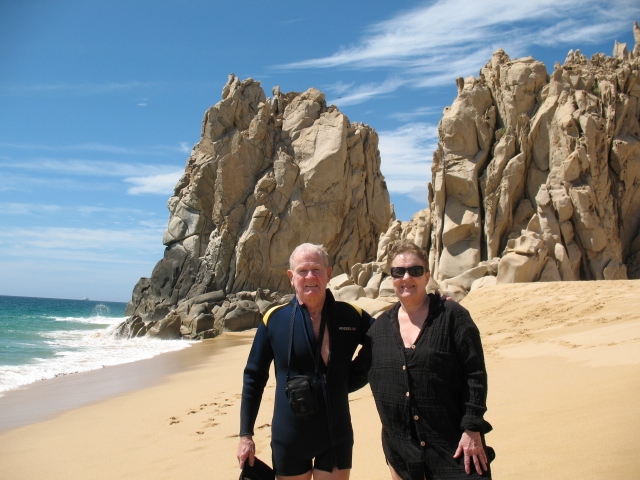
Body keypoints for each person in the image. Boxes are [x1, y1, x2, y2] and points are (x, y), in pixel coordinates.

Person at [237, 243, 373, 480]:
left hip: (336, 435)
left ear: (328, 273)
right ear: (291, 277)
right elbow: (254, 377)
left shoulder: (350, 315)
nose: (310, 276)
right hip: (290, 437)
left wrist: (350, 379)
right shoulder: (275, 319)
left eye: (316, 269)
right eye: (302, 271)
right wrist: (245, 435)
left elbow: (385, 338)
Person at [361, 240, 492, 480]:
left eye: (415, 270)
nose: (406, 277)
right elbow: (355, 373)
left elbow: (475, 374)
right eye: (398, 272)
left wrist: (472, 428)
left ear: (427, 276)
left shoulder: (452, 316)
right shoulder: (379, 329)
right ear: (391, 278)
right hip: (405, 459)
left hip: (456, 449)